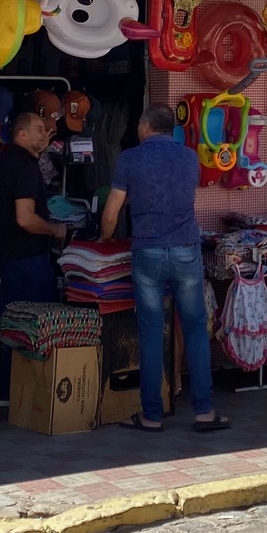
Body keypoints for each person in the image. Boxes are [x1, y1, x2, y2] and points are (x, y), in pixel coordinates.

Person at [101, 104, 226, 432]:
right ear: (171, 129)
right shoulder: (189, 158)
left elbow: (113, 210)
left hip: (149, 251)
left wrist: (104, 236)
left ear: (144, 126)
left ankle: (152, 415)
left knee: (151, 332)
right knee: (196, 329)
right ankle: (204, 412)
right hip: (186, 249)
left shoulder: (130, 158)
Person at [0, 109, 66, 408]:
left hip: (10, 256)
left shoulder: (10, 160)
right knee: (36, 324)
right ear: (22, 134)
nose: (43, 132)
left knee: (13, 323)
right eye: (37, 128)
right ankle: (32, 395)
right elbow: (25, 218)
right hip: (27, 257)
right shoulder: (24, 167)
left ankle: (9, 393)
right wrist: (55, 230)